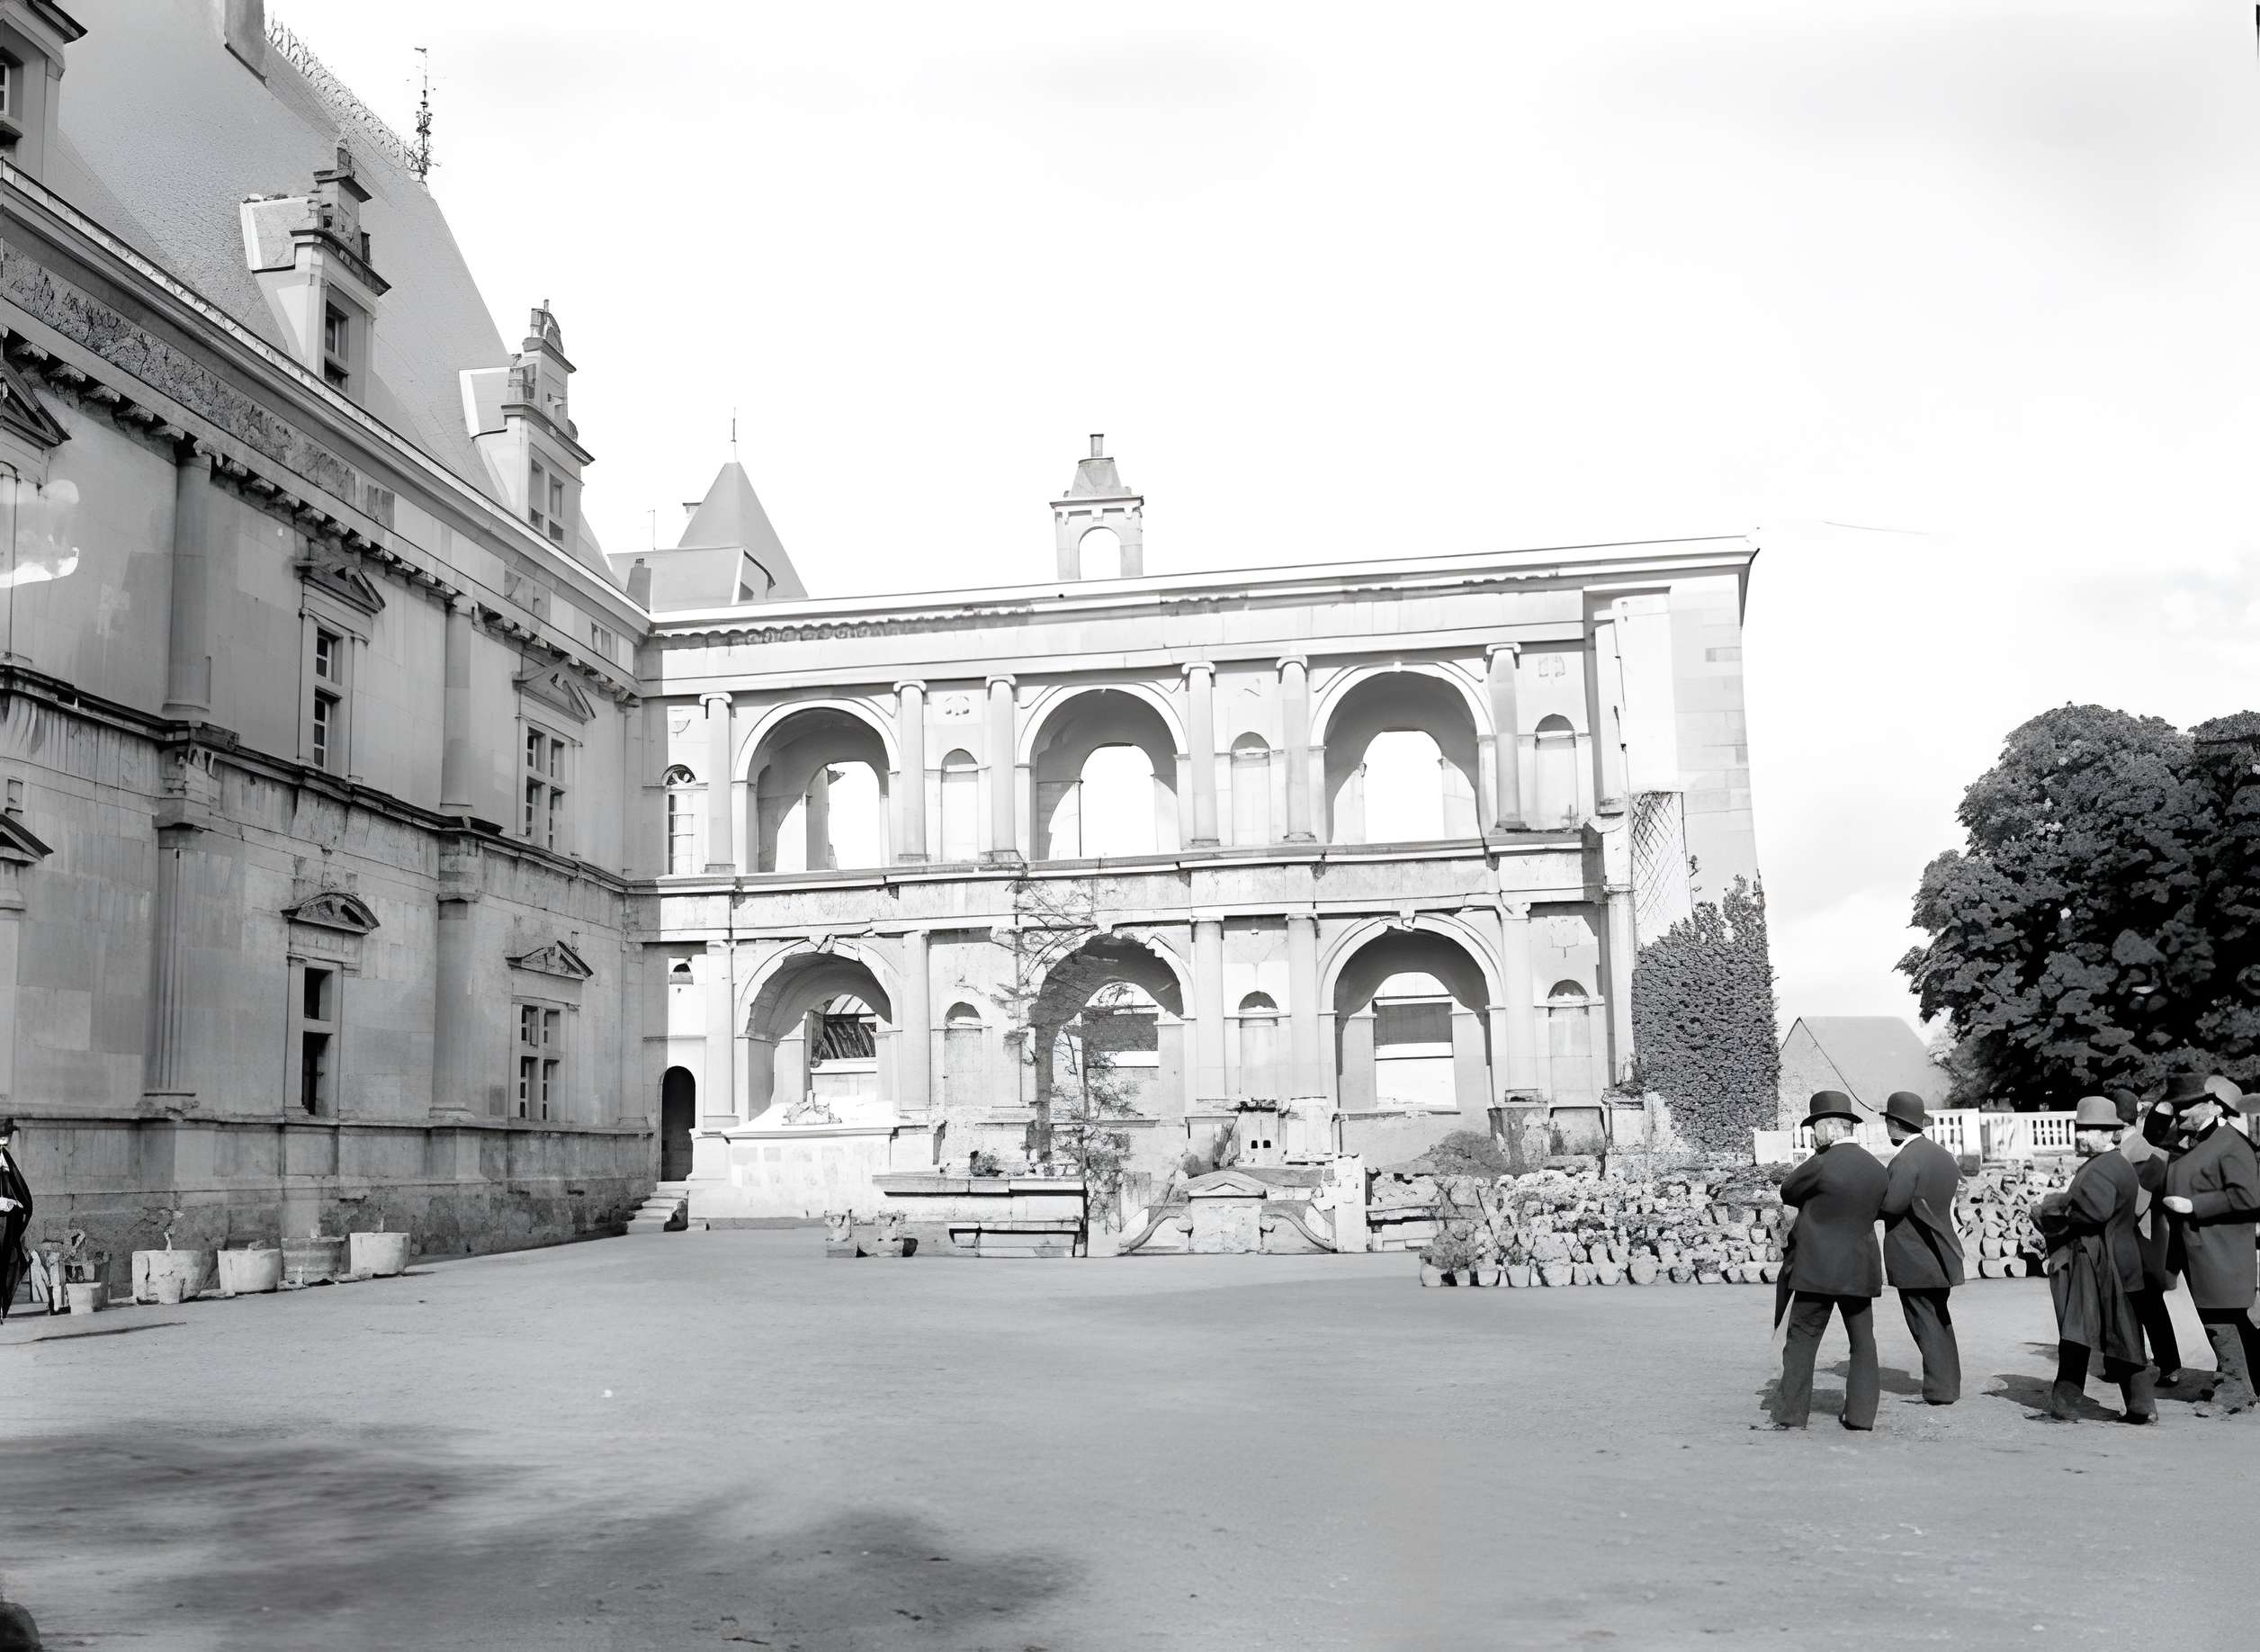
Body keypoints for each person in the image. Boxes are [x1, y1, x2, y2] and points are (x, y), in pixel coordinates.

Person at [1771, 1091, 1889, 1431]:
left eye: (1814, 1128)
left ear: (1829, 1129)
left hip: (1816, 1269)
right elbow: (1884, 1206)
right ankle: (1861, 1416)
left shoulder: (1821, 1163)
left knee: (1803, 1340)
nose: (1813, 1135)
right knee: (1863, 1342)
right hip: (1859, 1267)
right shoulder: (1876, 1169)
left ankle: (1792, 1415)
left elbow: (1788, 1190)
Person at [2031, 1097, 2154, 1423]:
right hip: (2117, 1257)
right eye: (2079, 1128)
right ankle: (2141, 1407)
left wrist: (2049, 1211)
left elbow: (2093, 1212)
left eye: (2088, 1130)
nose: (2080, 1135)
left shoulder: (2103, 1166)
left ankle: (2065, 1407)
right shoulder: (2114, 1164)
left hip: (2098, 1260)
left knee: (2077, 1332)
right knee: (2122, 1333)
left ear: (2109, 1133)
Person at [2162, 1076, 2260, 1416]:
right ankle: (2244, 1385)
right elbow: (2154, 1134)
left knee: (2222, 1319)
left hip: (2222, 1249)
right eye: (2176, 1106)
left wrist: (2195, 1206)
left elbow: (2250, 1196)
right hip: (2199, 1248)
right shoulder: (2195, 1140)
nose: (2179, 1113)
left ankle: (2233, 1391)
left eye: (2187, 1105)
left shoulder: (2232, 1144)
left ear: (2213, 1105)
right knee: (2220, 1318)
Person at [1877, 1090, 1962, 1404]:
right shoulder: (1942, 1155)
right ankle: (1949, 1383)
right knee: (1939, 1317)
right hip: (1942, 1250)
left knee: (1922, 1321)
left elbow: (1891, 1206)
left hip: (1913, 1253)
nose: (1887, 1128)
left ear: (1896, 1124)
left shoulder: (1904, 1160)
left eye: (1888, 1121)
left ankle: (1941, 1389)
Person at [2111, 1088, 2184, 1385]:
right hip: (2146, 1238)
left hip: (2142, 1239)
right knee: (2143, 1304)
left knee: (2147, 1303)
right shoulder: (2143, 1151)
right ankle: (2152, 1362)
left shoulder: (2143, 1155)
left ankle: (2167, 1365)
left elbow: (2134, 1206)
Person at [0, 1118, 31, 1326]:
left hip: (4, 1223)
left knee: (4, 1263)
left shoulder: (4, 1157)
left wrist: (16, 1204)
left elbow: (18, 1188)